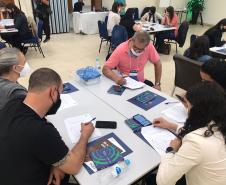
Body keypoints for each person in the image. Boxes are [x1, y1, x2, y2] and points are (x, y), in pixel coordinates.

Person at [0, 68, 95, 185]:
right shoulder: (41, 131)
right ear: (53, 92)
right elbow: (74, 166)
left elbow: (42, 119)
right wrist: (85, 135)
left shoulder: (15, 101)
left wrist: (56, 162)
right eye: (60, 93)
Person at [148, 81, 226, 185]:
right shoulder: (219, 124)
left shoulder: (196, 142)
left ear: (198, 110)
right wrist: (171, 125)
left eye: (188, 106)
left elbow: (163, 181)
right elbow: (203, 132)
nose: (187, 110)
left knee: (151, 178)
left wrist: (171, 150)